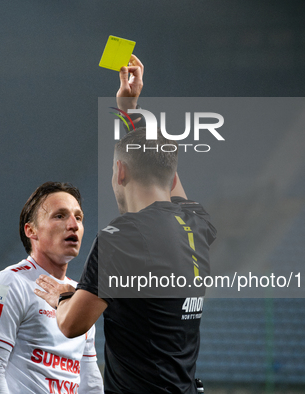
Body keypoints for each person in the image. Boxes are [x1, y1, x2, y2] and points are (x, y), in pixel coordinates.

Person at [35, 56, 217, 393]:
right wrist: (129, 111)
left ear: (120, 172)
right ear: (173, 177)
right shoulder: (198, 224)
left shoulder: (120, 239)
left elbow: (73, 325)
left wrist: (63, 297)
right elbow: (161, 165)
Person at [0, 182, 103, 394]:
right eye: (59, 216)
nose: (73, 225)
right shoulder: (6, 284)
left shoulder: (80, 294)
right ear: (31, 230)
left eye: (78, 217)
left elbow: (89, 378)